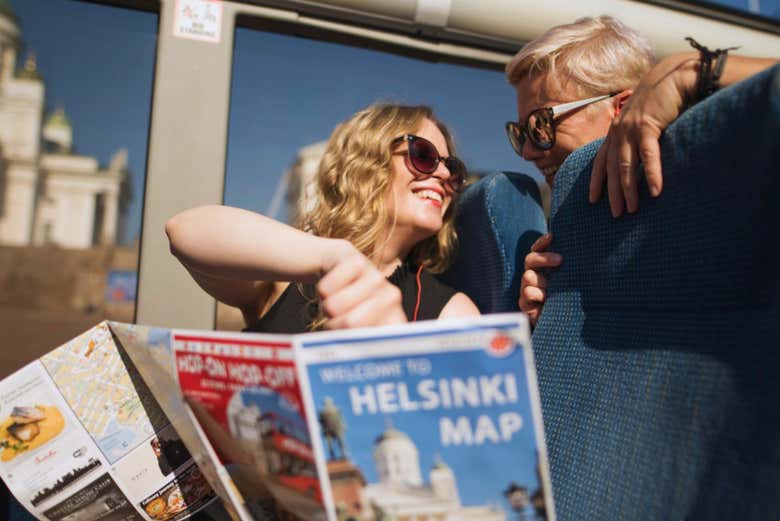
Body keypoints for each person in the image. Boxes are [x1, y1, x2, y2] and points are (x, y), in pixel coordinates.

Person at [505, 15, 778, 327]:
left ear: (622, 107)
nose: (527, 152)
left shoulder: (719, 188)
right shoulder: (563, 242)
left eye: (541, 124)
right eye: (521, 133)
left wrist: (688, 72)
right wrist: (548, 324)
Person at [166, 103, 480, 334]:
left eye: (453, 169)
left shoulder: (452, 313)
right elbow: (184, 230)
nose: (443, 174)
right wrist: (334, 256)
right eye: (424, 155)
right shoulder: (291, 275)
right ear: (370, 161)